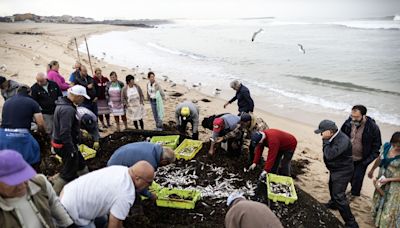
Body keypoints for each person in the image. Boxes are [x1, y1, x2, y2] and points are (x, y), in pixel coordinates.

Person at [60, 161, 155, 228]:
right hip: (71, 209)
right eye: (149, 183)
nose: (149, 186)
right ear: (138, 178)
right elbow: (113, 225)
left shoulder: (121, 170)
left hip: (68, 191)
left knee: (103, 220)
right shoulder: (126, 194)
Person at [0, 149, 74, 228]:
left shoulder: (39, 183)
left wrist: (69, 225)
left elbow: (54, 204)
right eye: (13, 181)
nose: (21, 185)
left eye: (23, 177)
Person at [314, 119, 359, 228]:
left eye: (322, 132)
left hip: (343, 171)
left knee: (339, 196)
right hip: (335, 169)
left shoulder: (343, 141)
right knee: (331, 187)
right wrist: (326, 140)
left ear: (330, 131)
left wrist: (325, 141)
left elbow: (329, 154)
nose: (321, 134)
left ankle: (351, 223)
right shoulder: (331, 137)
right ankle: (333, 204)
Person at [51, 85, 90, 194]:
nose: (83, 100)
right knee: (68, 173)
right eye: (82, 97)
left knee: (81, 164)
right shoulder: (67, 109)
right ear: (77, 96)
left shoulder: (63, 104)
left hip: (64, 143)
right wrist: (72, 150)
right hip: (64, 145)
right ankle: (53, 195)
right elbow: (65, 132)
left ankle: (87, 186)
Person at [107, 142, 175, 199]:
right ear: (164, 161)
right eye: (166, 164)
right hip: (115, 168)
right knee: (130, 195)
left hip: (117, 155)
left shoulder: (153, 147)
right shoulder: (150, 162)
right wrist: (150, 195)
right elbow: (140, 185)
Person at [340, 105, 382, 198]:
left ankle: (352, 196)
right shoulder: (348, 123)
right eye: (352, 116)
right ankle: (337, 199)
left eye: (357, 117)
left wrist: (365, 162)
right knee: (341, 180)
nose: (353, 119)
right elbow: (340, 137)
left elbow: (377, 148)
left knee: (356, 182)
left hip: (361, 161)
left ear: (364, 116)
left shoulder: (373, 128)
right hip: (346, 158)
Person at [0, 86, 45, 166]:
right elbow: (40, 124)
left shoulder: (8, 101)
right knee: (34, 154)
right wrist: (43, 134)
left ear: (17, 92)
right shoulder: (32, 102)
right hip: (21, 135)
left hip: (3, 135)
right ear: (29, 92)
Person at [368, 132, 400, 228]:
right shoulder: (386, 146)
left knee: (389, 206)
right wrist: (372, 170)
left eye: (399, 146)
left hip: (394, 185)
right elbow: (379, 159)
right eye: (395, 145)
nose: (396, 147)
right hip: (382, 180)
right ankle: (378, 223)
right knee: (379, 202)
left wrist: (389, 179)